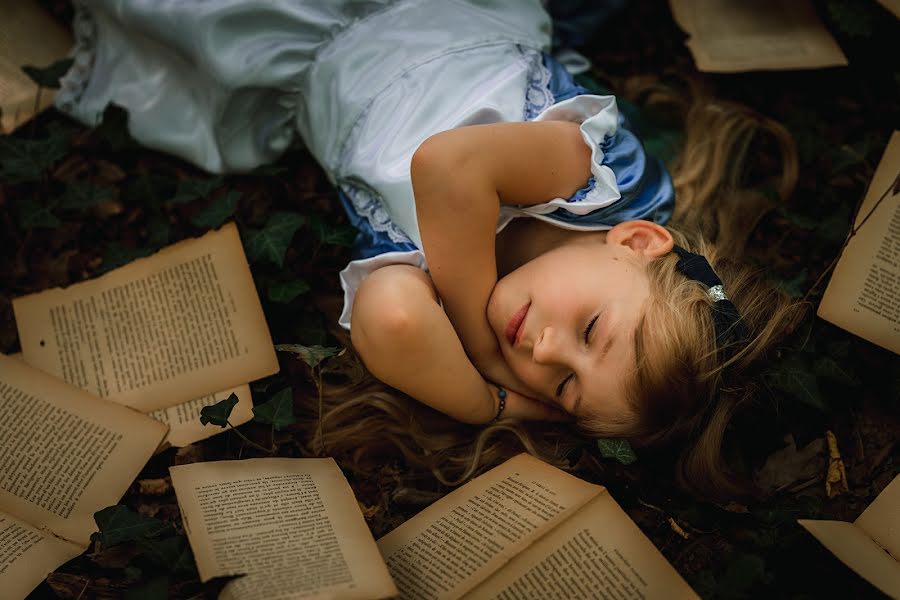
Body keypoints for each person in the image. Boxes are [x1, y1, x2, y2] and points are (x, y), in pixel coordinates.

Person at [57, 0, 801, 498]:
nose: (543, 350)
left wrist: (491, 406)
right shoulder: (599, 182)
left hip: (318, 58)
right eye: (591, 332)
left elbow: (394, 326)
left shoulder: (418, 283)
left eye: (565, 390)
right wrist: (481, 350)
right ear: (638, 244)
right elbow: (448, 167)